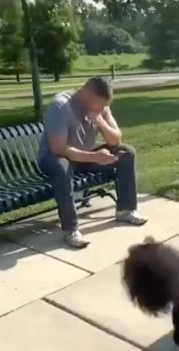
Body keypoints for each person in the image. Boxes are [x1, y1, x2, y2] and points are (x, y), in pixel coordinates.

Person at [37, 76, 147, 249]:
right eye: (100, 104)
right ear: (87, 93)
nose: (103, 108)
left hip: (84, 156)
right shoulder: (61, 106)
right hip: (54, 159)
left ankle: (125, 210)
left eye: (105, 105)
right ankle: (70, 229)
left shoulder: (101, 108)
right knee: (61, 166)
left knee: (126, 153)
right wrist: (95, 157)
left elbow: (116, 139)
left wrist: (100, 120)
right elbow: (58, 148)